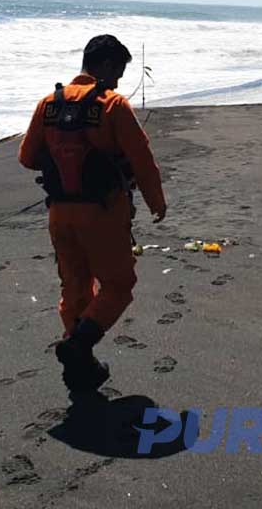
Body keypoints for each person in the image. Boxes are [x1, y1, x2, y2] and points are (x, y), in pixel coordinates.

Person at [18, 34, 167, 396]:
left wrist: (63, 161)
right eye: (117, 71)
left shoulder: (47, 105)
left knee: (75, 287)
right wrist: (156, 202)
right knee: (118, 286)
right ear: (103, 64)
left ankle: (79, 365)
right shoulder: (112, 105)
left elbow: (27, 157)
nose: (117, 81)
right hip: (101, 212)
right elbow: (142, 160)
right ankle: (79, 346)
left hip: (59, 213)